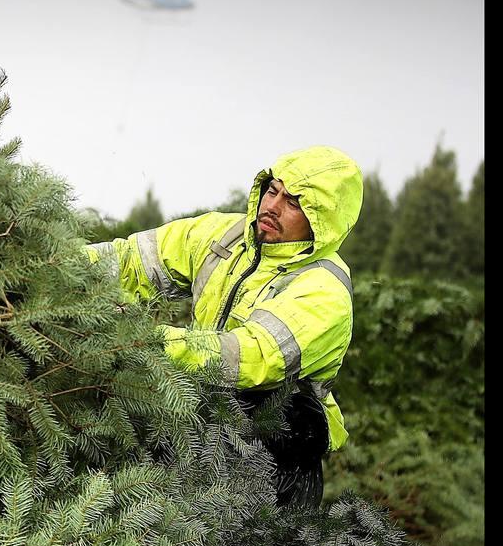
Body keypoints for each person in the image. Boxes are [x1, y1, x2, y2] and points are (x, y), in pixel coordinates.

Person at [86, 146, 363, 507]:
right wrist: (55, 265)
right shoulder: (227, 236)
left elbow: (246, 356)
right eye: (273, 190)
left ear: (323, 220)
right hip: (199, 422)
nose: (273, 207)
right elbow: (129, 261)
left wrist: (141, 344)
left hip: (273, 459)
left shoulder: (324, 290)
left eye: (294, 203)